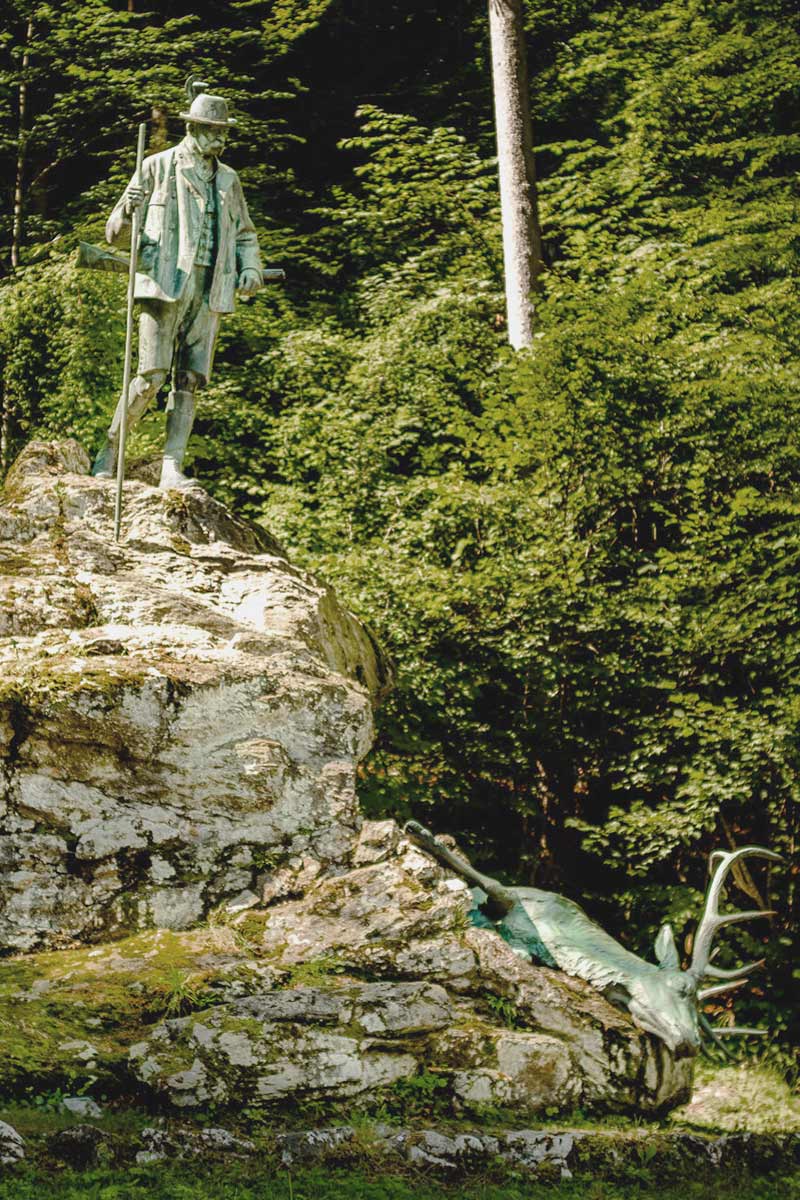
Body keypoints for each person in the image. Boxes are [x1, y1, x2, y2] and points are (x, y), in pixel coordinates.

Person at [92, 89, 263, 489]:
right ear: (192, 128)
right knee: (150, 377)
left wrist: (250, 267)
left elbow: (245, 235)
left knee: (189, 380)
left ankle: (172, 465)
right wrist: (127, 210)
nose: (219, 140)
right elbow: (115, 235)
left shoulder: (228, 179)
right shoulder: (156, 166)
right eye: (212, 131)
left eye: (223, 132)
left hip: (210, 288)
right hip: (164, 285)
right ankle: (112, 448)